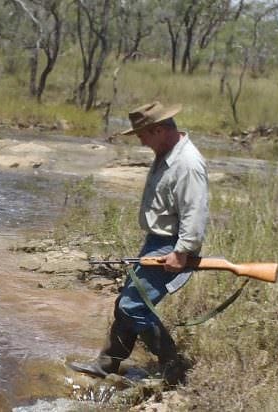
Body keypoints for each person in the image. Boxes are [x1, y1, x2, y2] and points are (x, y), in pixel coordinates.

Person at [68, 101, 209, 385]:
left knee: (134, 307)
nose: (142, 142)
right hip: (157, 241)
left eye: (143, 135)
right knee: (126, 302)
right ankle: (107, 364)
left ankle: (173, 365)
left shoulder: (187, 163)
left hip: (172, 244)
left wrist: (181, 252)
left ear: (158, 130)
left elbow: (195, 213)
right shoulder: (166, 152)